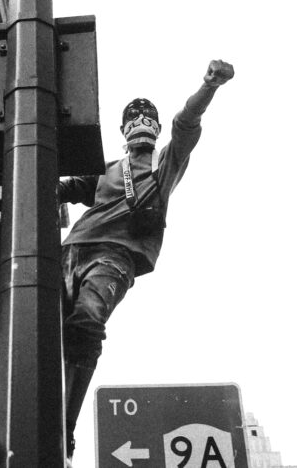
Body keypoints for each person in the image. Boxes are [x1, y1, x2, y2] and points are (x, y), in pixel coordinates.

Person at [57, 60, 235, 463]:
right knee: (36, 331)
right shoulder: (107, 171)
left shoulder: (165, 164)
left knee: (86, 323)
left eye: (148, 117)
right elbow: (69, 186)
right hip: (68, 252)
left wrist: (208, 86)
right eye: (133, 117)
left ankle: (63, 427)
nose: (141, 120)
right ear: (123, 131)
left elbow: (186, 123)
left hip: (113, 258)